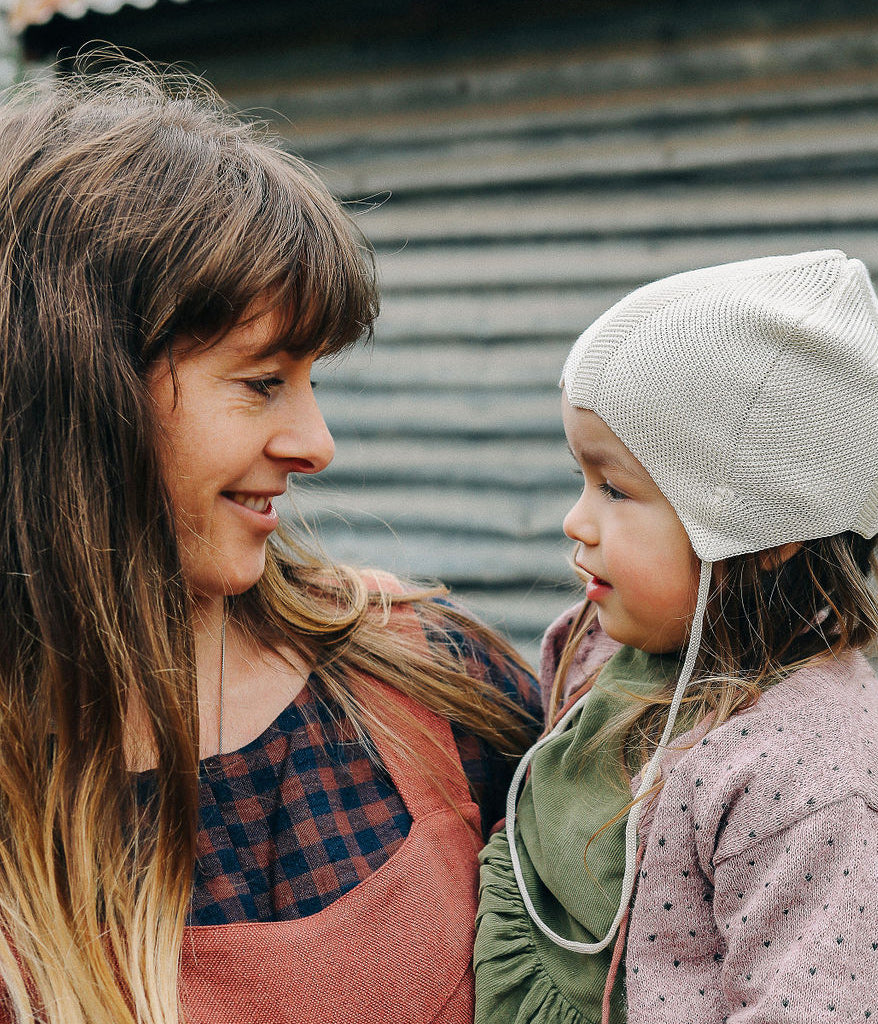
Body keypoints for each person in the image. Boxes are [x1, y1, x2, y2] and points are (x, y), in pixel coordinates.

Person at [0, 63, 540, 1024]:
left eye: (312, 381)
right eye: (261, 382)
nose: (316, 446)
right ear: (78, 399)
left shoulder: (435, 684)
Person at [474, 251, 878, 1024]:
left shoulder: (817, 793)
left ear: (762, 535)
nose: (576, 521)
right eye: (581, 478)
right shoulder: (602, 648)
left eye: (615, 488)